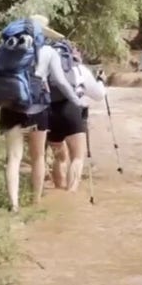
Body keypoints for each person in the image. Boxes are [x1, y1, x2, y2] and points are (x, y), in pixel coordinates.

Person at [0, 15, 87, 213]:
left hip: (10, 107)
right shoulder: (48, 51)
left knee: (14, 158)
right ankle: (36, 200)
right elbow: (60, 81)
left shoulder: (5, 48)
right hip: (37, 107)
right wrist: (76, 100)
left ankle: (14, 204)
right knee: (38, 157)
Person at [47, 41, 106, 192]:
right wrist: (101, 81)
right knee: (77, 157)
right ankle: (71, 193)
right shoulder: (79, 69)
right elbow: (99, 95)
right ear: (73, 53)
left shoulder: (46, 68)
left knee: (59, 157)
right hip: (71, 110)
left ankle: (59, 190)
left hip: (49, 112)